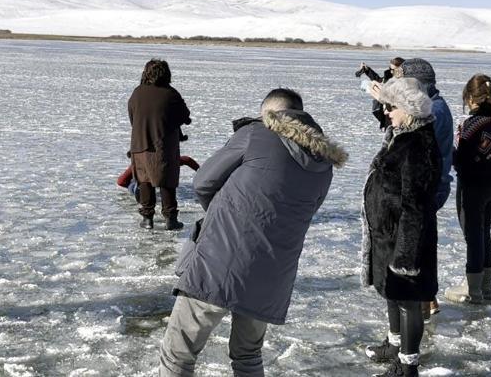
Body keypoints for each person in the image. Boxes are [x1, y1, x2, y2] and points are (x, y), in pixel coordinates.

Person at [159, 88, 347, 377]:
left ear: (268, 114)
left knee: (178, 355)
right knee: (247, 355)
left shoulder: (256, 134)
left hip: (218, 262)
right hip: (271, 275)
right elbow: (308, 210)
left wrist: (222, 216)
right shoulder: (323, 162)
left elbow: (203, 182)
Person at [362, 77, 441, 377]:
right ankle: (395, 348)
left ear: (408, 109)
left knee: (407, 300)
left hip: (406, 239)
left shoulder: (417, 145)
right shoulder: (402, 135)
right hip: (389, 235)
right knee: (393, 294)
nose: (386, 113)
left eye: (391, 107)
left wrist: (405, 257)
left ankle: (408, 368)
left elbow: (415, 205)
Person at [397, 58, 453, 319]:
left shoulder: (434, 110)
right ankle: (426, 299)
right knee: (422, 241)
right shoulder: (434, 105)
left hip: (429, 188)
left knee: (419, 244)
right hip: (431, 186)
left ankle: (423, 301)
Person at [444, 74, 491, 304]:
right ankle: (486, 286)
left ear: (470, 97)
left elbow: (462, 161)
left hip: (474, 188)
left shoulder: (472, 126)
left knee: (473, 235)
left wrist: (448, 149)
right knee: (484, 232)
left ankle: (474, 290)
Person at [128, 59, 191, 230]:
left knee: (144, 181)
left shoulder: (137, 93)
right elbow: (185, 116)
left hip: (139, 145)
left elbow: (132, 117)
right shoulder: (171, 94)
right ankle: (171, 219)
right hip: (163, 146)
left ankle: (147, 219)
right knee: (166, 182)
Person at [117, 155, 200, 202]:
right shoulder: (169, 158)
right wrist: (200, 171)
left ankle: (138, 189)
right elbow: (187, 160)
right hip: (162, 180)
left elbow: (121, 181)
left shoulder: (139, 162)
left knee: (135, 183)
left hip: (144, 183)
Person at [356, 57, 405, 130]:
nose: (391, 71)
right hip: (386, 116)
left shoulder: (406, 82)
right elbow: (379, 80)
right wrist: (367, 70)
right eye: (390, 68)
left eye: (393, 69)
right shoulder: (389, 76)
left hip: (397, 117)